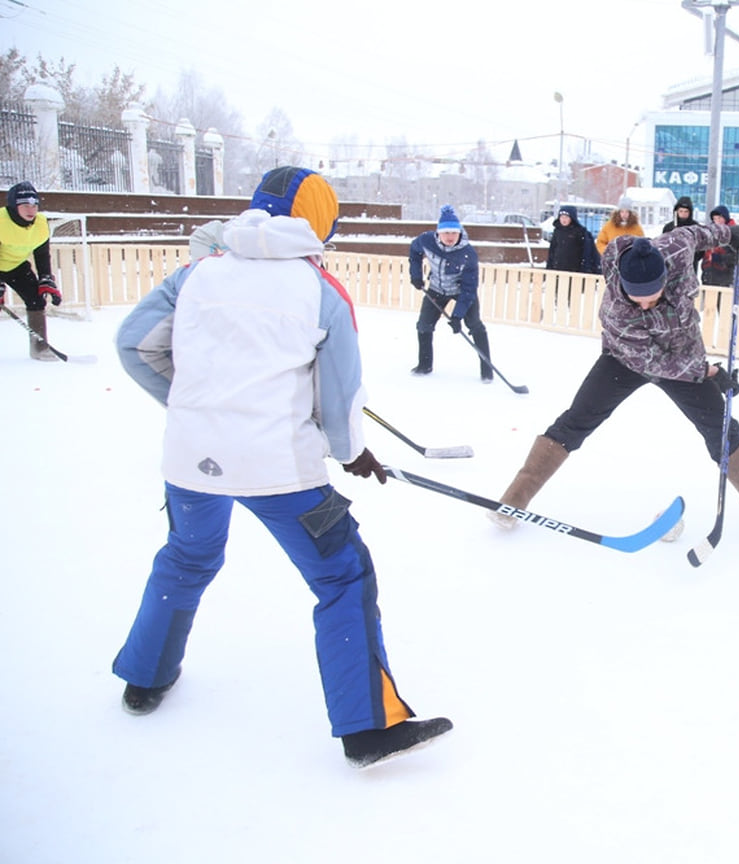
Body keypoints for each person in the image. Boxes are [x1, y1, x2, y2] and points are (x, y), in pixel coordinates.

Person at [112, 166, 451, 768]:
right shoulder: (320, 289)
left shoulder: (197, 272)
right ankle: (368, 727)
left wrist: (195, 409)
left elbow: (135, 344)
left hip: (193, 462)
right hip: (282, 473)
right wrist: (351, 452)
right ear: (319, 222)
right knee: (343, 576)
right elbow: (341, 392)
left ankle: (145, 678)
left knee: (187, 558)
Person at [488, 228, 739, 539]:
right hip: (625, 359)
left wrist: (728, 234)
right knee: (576, 421)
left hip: (685, 354)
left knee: (721, 428)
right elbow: (654, 364)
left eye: (651, 296)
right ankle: (512, 502)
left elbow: (694, 233)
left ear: (664, 277)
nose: (644, 303)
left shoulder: (674, 249)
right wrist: (708, 373)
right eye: (637, 298)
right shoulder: (618, 311)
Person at [409, 204, 492, 381]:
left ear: (460, 233)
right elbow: (414, 251)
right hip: (437, 289)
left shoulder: (468, 253)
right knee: (424, 325)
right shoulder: (426, 241)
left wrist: (457, 316)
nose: (450, 237)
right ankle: (425, 365)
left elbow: (469, 289)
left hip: (462, 292)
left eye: (454, 233)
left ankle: (487, 371)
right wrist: (416, 275)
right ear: (438, 232)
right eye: (446, 233)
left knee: (475, 325)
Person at [0, 182, 62, 361]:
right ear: (14, 206)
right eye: (25, 205)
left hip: (16, 266)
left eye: (35, 205)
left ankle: (40, 348)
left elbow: (42, 255)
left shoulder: (41, 224)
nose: (31, 210)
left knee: (36, 299)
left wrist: (46, 279)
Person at [699, 205, 739, 287]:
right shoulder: (710, 232)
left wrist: (720, 259)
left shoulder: (733, 233)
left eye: (719, 218)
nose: (717, 221)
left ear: (725, 218)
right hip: (709, 274)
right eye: (715, 219)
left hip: (724, 276)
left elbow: (736, 256)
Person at [545, 205, 599, 274]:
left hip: (574, 270)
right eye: (562, 217)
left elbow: (587, 252)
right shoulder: (557, 231)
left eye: (566, 217)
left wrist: (586, 269)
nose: (564, 219)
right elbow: (552, 251)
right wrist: (549, 267)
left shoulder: (580, 232)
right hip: (557, 269)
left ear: (572, 218)